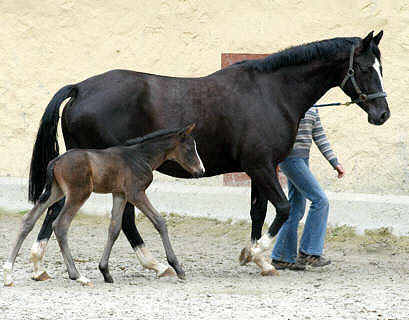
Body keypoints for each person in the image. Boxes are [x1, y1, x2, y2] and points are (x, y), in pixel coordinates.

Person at [271, 107, 345, 270]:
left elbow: (319, 136)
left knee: (296, 208)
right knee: (320, 201)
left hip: (303, 159)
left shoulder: (313, 108)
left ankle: (281, 257)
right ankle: (309, 253)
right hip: (290, 159)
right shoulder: (288, 100)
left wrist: (334, 162)